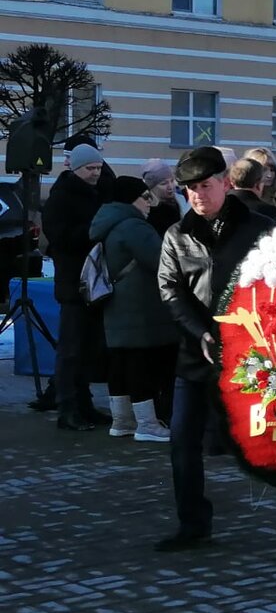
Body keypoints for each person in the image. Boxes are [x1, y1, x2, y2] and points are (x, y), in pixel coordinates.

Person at [156, 146, 276, 551]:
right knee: (183, 442)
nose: (198, 196)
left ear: (224, 183)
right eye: (190, 190)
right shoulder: (177, 235)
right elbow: (170, 290)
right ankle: (193, 524)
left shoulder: (258, 228)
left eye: (205, 186)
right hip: (196, 353)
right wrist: (198, 332)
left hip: (250, 354)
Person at [89, 176, 176, 442]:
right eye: (145, 197)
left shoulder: (108, 221)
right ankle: (147, 424)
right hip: (139, 307)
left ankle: (122, 420)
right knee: (140, 363)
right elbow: (161, 260)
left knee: (121, 362)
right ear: (132, 199)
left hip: (116, 305)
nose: (150, 203)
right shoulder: (133, 226)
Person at [41, 143, 108, 431]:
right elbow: (60, 238)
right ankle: (67, 408)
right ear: (76, 169)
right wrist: (93, 229)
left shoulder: (93, 192)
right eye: (90, 169)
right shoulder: (61, 197)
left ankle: (84, 404)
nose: (95, 173)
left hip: (89, 283)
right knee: (71, 350)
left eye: (97, 168)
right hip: (73, 283)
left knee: (87, 349)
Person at [143, 158, 184, 236]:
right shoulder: (150, 212)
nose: (170, 187)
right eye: (164, 183)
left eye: (172, 181)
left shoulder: (181, 202)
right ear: (152, 187)